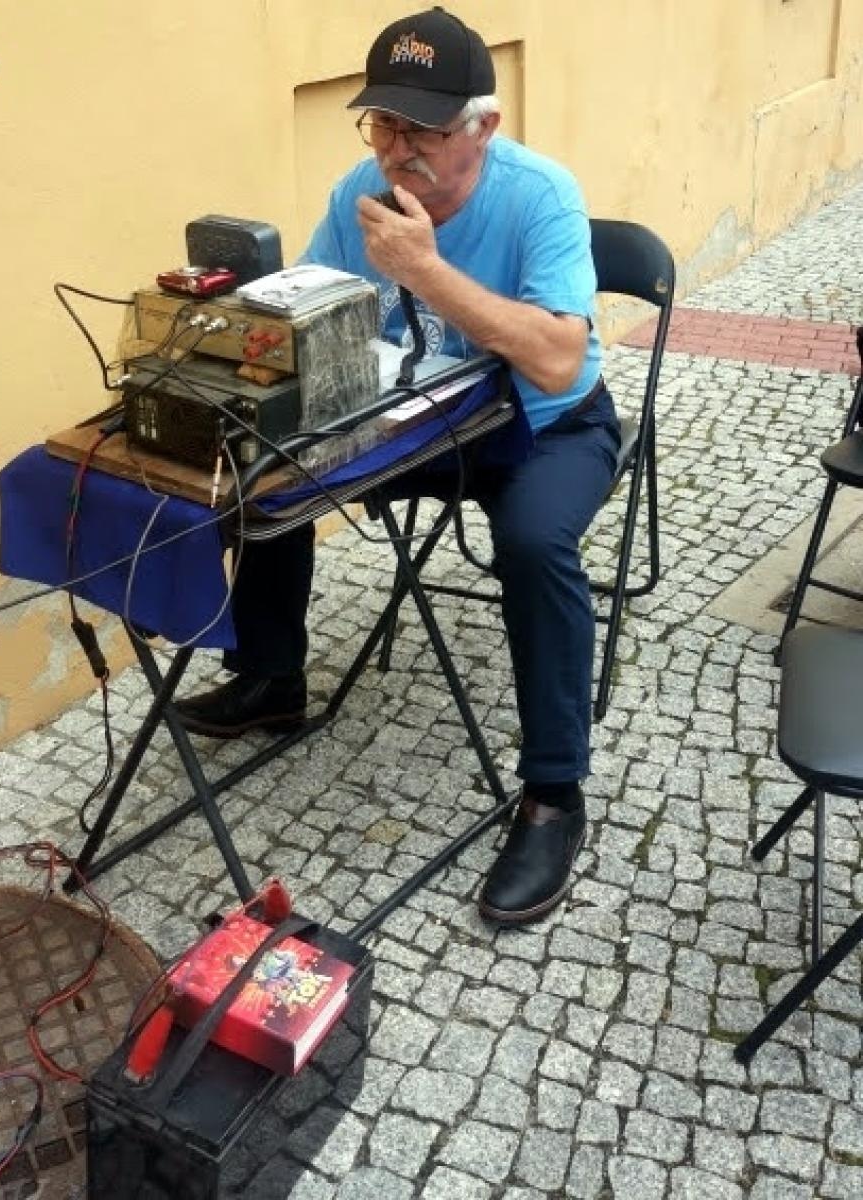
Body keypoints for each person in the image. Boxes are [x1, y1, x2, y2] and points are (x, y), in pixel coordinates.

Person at [177, 6, 621, 927]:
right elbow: (307, 303)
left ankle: (552, 797)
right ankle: (272, 675)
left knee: (536, 544)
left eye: (421, 127)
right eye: (382, 121)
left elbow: (556, 360)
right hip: (421, 423)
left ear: (481, 128)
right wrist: (233, 338)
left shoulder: (541, 196)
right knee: (271, 467)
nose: (395, 146)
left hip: (545, 426)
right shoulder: (359, 190)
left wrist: (422, 270)